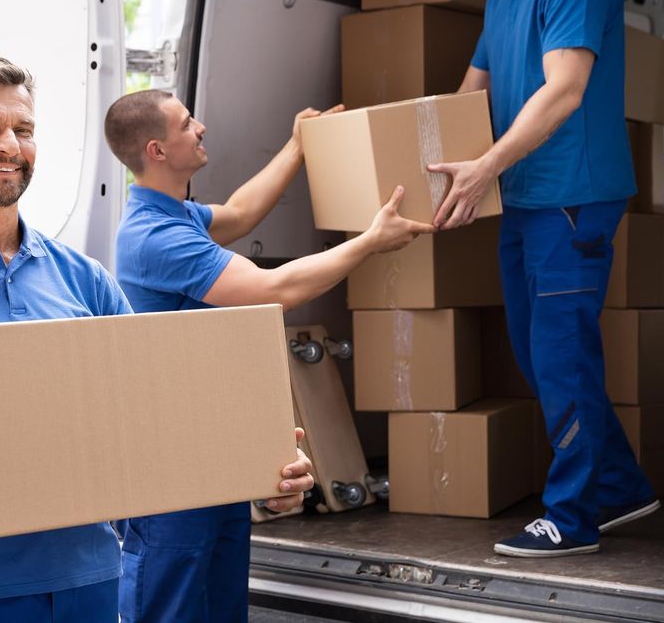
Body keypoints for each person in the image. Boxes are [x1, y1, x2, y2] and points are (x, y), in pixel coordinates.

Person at [0, 54, 314, 622]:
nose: (9, 145)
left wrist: (259, 462)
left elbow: (155, 412)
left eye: (22, 130)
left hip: (91, 585)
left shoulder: (85, 280)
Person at [104, 90, 434, 621]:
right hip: (170, 464)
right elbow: (273, 288)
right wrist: (369, 241)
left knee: (222, 604)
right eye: (187, 124)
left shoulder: (176, 215)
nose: (201, 127)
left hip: (213, 450)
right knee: (172, 605)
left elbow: (238, 212)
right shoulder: (155, 237)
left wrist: (296, 146)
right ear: (157, 150)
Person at [427, 0, 658, 558]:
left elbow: (565, 89)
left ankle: (573, 517)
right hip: (522, 194)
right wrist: (418, 163)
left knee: (560, 356)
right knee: (536, 355)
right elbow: (471, 92)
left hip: (571, 195)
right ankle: (619, 487)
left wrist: (484, 168)